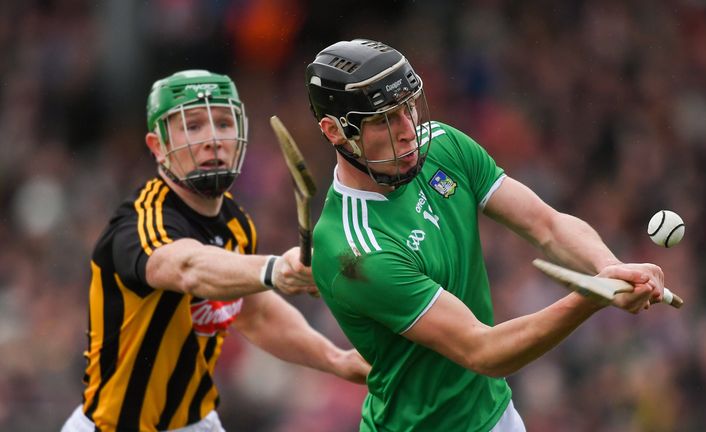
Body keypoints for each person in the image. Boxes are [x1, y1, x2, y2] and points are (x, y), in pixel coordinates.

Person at [304, 39, 666, 432]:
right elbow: (482, 350)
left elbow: (546, 224)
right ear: (335, 131)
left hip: (497, 414)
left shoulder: (441, 146)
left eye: (408, 107)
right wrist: (593, 296)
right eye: (386, 120)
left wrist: (611, 268)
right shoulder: (355, 251)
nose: (408, 130)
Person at [61, 69, 370, 432]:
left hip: (197, 423)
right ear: (158, 146)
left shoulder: (236, 224)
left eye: (223, 123)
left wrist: (336, 360)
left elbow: (255, 314)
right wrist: (274, 269)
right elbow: (187, 268)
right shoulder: (140, 222)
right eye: (193, 126)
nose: (213, 139)